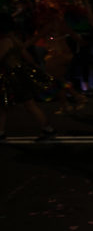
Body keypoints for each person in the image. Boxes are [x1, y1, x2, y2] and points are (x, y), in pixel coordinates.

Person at [0, 12, 56, 141]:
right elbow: (28, 57)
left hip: (11, 76)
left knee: (25, 105)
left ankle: (48, 129)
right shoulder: (14, 39)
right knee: (12, 105)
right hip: (18, 74)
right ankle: (47, 129)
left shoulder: (4, 41)